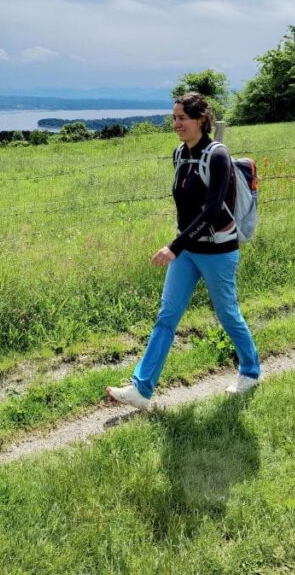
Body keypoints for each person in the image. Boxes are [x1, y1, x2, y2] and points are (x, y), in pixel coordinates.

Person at [106, 92, 260, 410]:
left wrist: (174, 246)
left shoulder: (216, 155)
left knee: (227, 314)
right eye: (173, 118)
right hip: (187, 249)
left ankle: (250, 371)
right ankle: (141, 389)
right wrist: (181, 244)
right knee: (167, 316)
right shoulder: (179, 154)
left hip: (218, 251)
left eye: (182, 118)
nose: (176, 124)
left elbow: (213, 211)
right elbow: (186, 208)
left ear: (201, 120)